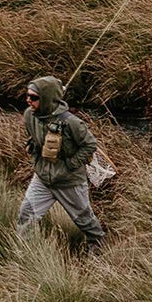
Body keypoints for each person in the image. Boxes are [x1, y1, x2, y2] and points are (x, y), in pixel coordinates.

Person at [14, 75, 107, 249]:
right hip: (42, 180)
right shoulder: (29, 116)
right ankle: (26, 255)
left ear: (47, 98)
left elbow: (90, 145)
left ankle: (99, 250)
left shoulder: (72, 123)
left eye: (33, 98)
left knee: (86, 222)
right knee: (26, 216)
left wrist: (69, 165)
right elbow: (33, 140)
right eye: (27, 96)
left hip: (70, 182)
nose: (28, 101)